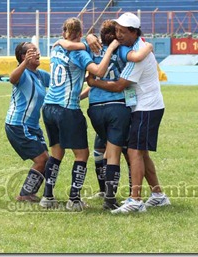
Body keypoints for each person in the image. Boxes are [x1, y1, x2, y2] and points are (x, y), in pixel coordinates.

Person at [56, 19, 153, 210]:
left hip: (95, 109)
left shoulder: (91, 50)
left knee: (103, 150)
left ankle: (104, 191)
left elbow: (89, 76)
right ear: (116, 35)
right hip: (117, 107)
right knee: (115, 154)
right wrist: (147, 46)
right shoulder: (121, 49)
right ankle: (110, 198)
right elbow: (135, 57)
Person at [87, 12, 171, 214]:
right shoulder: (133, 46)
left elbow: (119, 86)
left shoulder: (138, 54)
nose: (118, 35)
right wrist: (90, 37)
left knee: (134, 152)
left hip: (147, 107)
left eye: (123, 31)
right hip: (141, 105)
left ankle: (136, 200)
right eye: (117, 30)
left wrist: (94, 82)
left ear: (134, 32)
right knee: (142, 153)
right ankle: (158, 195)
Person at [38, 17, 119, 211]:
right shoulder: (80, 53)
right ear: (81, 34)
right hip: (67, 110)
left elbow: (71, 78)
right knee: (81, 153)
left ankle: (47, 196)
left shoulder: (56, 48)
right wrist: (108, 50)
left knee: (57, 152)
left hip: (49, 107)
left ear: (63, 32)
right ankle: (74, 199)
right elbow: (98, 70)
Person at [5, 42, 50, 202]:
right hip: (18, 124)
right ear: (24, 57)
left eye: (37, 50)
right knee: (42, 159)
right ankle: (24, 195)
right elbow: (12, 78)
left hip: (33, 126)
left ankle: (28, 193)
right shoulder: (22, 73)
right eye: (32, 51)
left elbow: (58, 83)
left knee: (47, 160)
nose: (37, 53)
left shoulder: (39, 75)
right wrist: (23, 64)